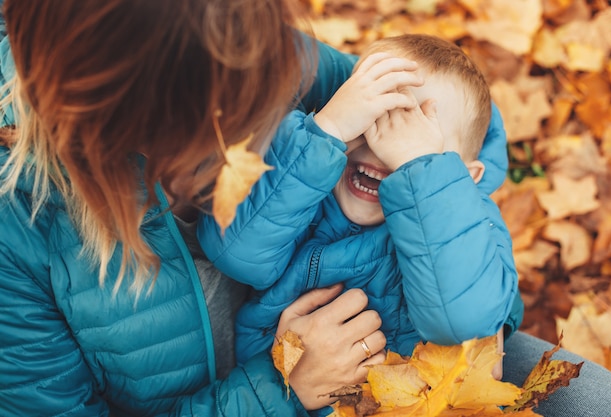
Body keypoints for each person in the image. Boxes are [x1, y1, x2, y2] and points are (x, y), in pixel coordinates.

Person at [0, 1, 428, 416]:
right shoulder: (18, 225)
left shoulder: (240, 42)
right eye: (213, 124)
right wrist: (283, 389)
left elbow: (450, 103)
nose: (249, 132)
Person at [198, 34, 523, 370]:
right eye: (373, 120)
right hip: (290, 391)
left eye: (416, 138)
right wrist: (328, 130)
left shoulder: (475, 220)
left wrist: (419, 171)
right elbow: (236, 251)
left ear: (467, 177)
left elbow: (462, 319)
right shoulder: (309, 191)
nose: (383, 148)